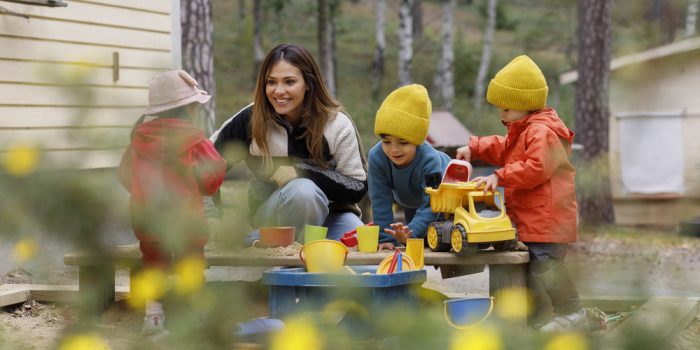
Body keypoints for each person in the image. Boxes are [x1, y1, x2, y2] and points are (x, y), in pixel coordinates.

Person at [455, 55, 586, 332]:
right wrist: (475, 147)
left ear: (524, 104)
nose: (501, 115)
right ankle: (535, 322)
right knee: (529, 272)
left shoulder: (542, 132)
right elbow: (504, 148)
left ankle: (573, 313)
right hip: (533, 218)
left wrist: (498, 175)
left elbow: (536, 168)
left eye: (505, 109)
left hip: (548, 219)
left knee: (546, 267)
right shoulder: (524, 130)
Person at [209, 44, 367, 243]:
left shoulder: (336, 124)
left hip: (334, 216)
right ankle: (287, 262)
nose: (279, 91)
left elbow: (357, 186)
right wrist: (212, 215)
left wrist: (303, 171)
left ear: (309, 83)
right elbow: (204, 166)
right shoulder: (250, 120)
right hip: (272, 214)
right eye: (271, 82)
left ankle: (260, 242)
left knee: (362, 244)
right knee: (303, 192)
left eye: (289, 82)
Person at [118, 70, 227, 338]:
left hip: (148, 219)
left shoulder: (138, 139)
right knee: (191, 263)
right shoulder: (195, 140)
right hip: (187, 219)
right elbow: (211, 179)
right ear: (190, 108)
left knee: (153, 264)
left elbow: (124, 175)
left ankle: (153, 318)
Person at [367, 84, 450, 249]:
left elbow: (432, 204)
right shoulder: (376, 157)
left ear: (418, 140)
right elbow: (380, 200)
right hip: (410, 199)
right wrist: (385, 239)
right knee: (408, 238)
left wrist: (411, 232)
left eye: (403, 142)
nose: (393, 149)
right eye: (386, 141)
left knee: (433, 238)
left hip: (443, 197)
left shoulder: (430, 160)